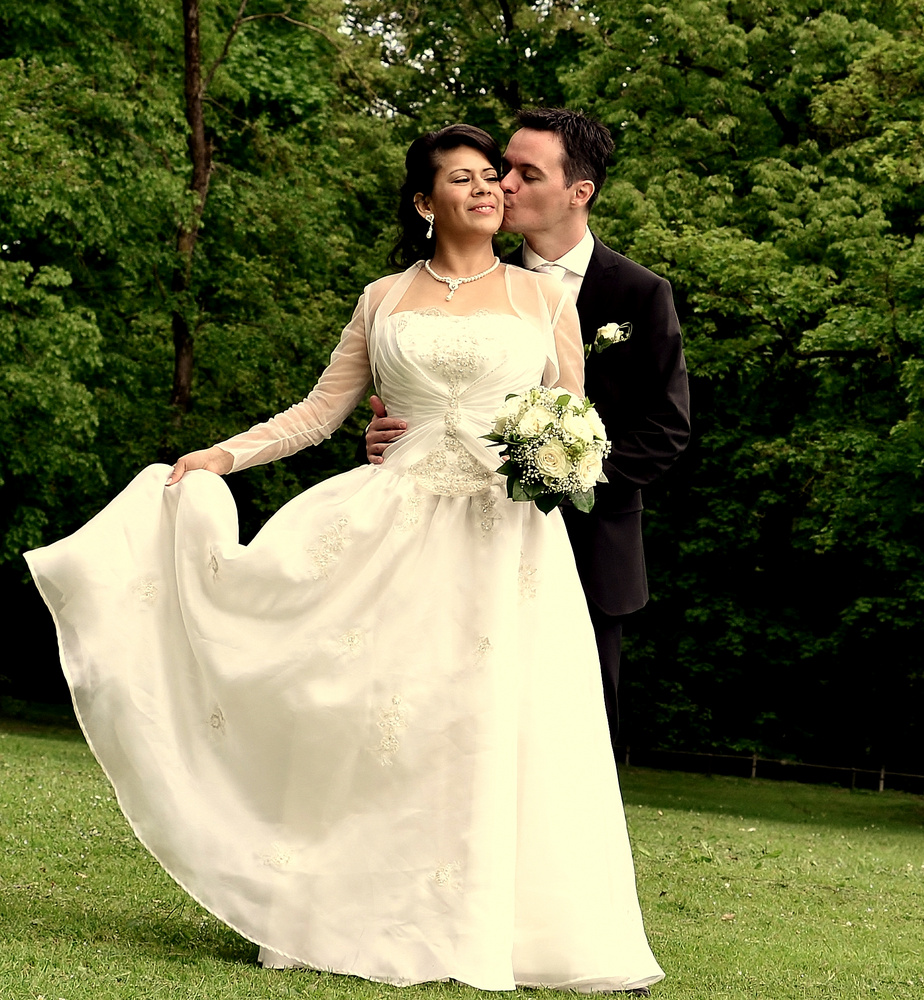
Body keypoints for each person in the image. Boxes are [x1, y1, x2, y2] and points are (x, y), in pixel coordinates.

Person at [24, 124, 664, 993]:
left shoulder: (545, 300)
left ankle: (493, 927)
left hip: (503, 540)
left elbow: (572, 424)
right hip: (390, 530)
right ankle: (357, 913)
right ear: (422, 200)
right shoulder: (382, 297)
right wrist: (221, 457)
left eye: (492, 179)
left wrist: (551, 460)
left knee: (485, 725)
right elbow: (316, 412)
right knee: (381, 723)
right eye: (465, 179)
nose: (487, 191)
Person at [367, 109, 691, 746]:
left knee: (576, 740)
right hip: (466, 538)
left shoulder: (640, 293)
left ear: (579, 192)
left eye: (525, 172)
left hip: (592, 545)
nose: (504, 184)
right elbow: (436, 397)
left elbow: (668, 427)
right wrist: (397, 439)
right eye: (502, 169)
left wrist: (564, 473)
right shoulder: (473, 282)